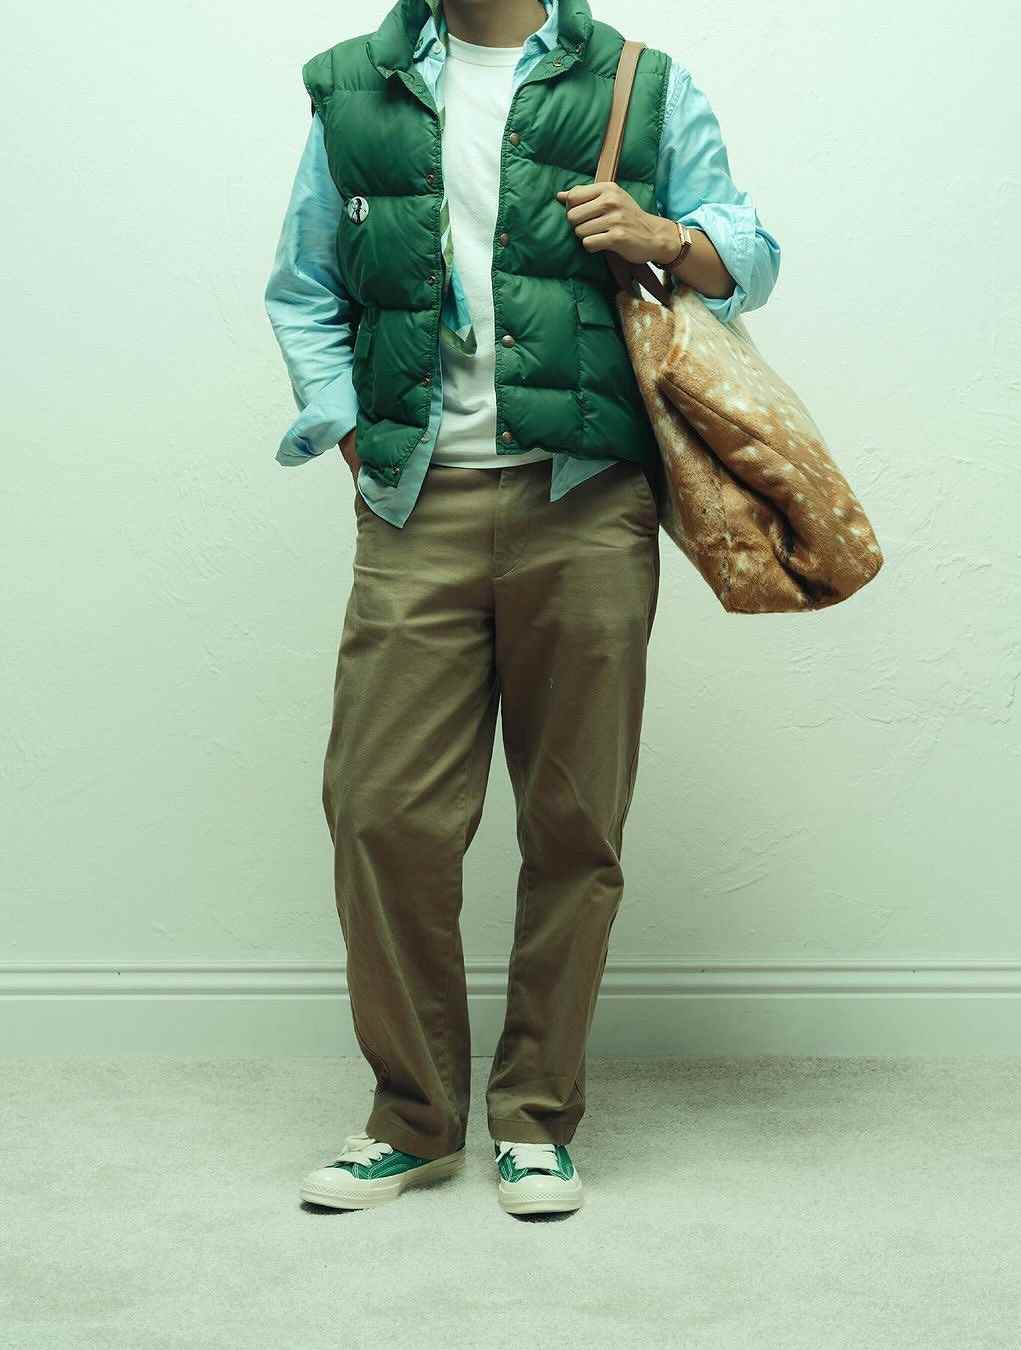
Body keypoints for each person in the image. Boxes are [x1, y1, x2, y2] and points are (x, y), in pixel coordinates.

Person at [264, 0, 780, 1217]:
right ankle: (411, 1119)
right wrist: (349, 433)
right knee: (379, 813)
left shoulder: (641, 79)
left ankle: (537, 1118)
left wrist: (662, 235)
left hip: (587, 497)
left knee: (573, 823)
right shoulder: (353, 86)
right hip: (417, 504)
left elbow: (751, 253)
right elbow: (303, 286)